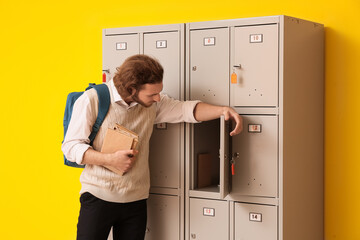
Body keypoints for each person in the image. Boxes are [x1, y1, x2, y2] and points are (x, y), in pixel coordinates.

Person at [61, 54, 243, 240]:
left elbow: (185, 110)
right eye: (152, 94)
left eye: (159, 92)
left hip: (135, 200)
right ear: (131, 89)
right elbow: (71, 147)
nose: (158, 98)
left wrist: (223, 111)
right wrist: (110, 159)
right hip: (97, 197)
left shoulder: (151, 105)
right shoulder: (92, 100)